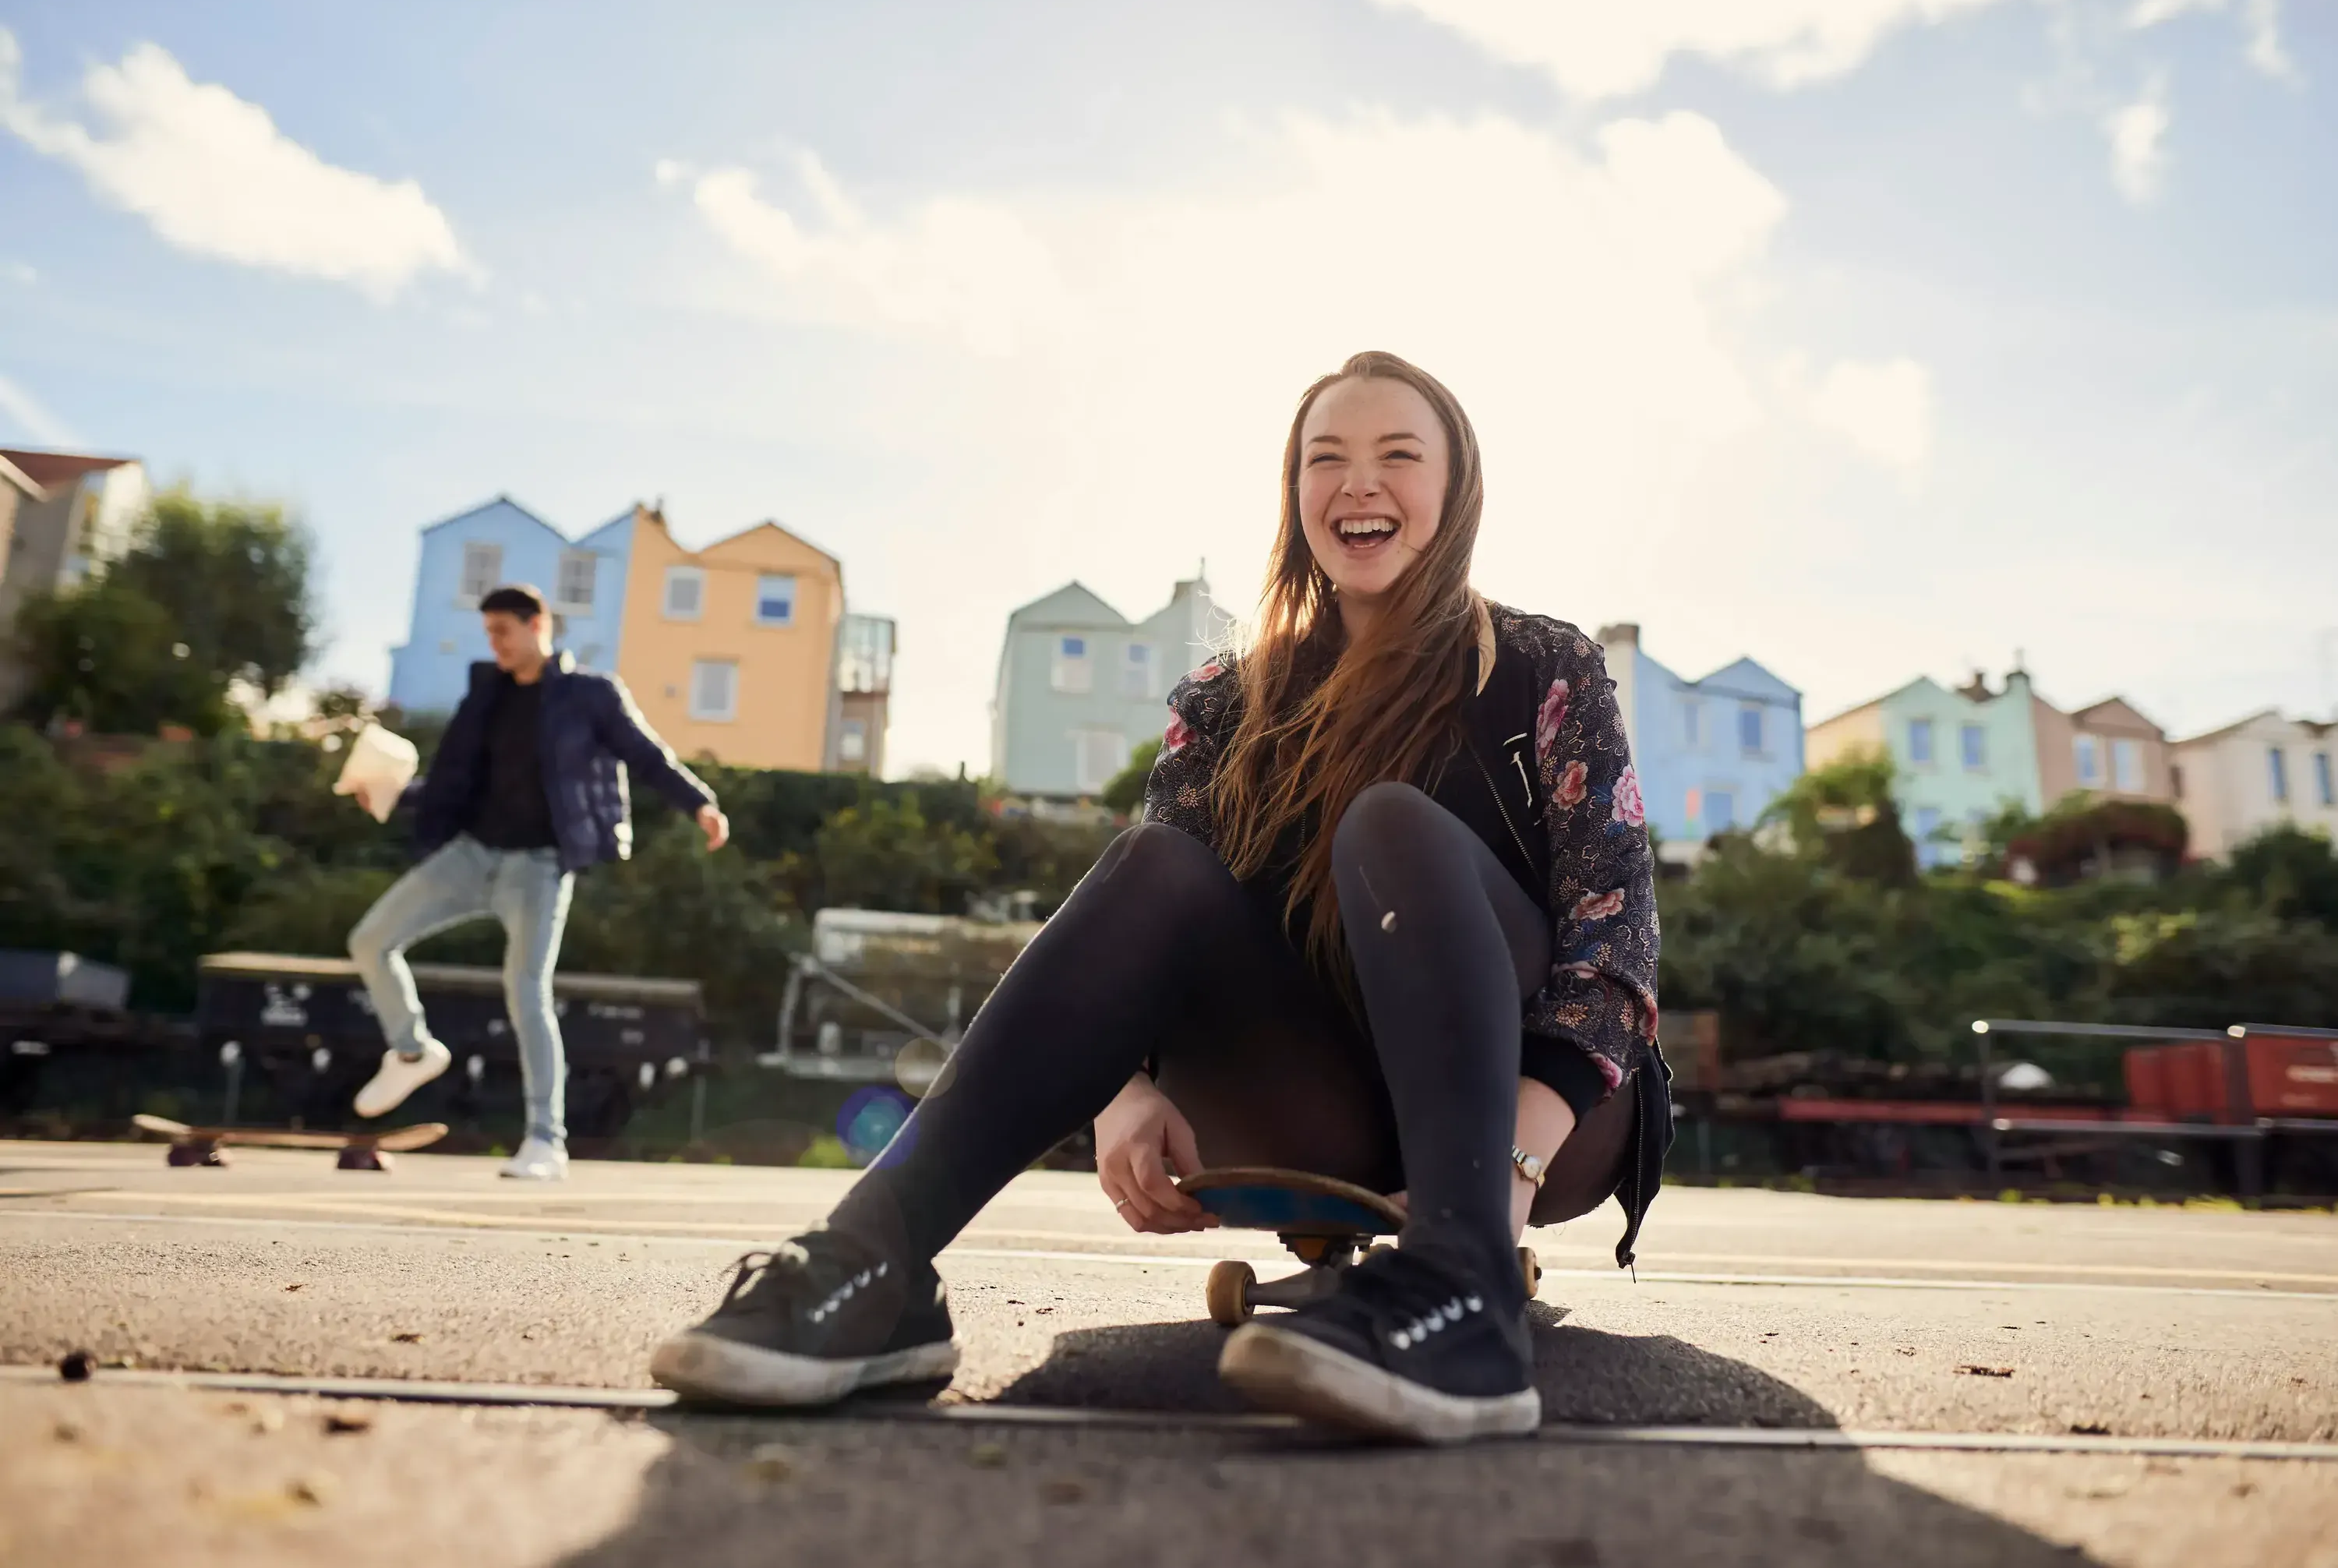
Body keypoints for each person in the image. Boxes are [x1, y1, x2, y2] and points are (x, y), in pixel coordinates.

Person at [651, 351, 1670, 1443]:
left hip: (1551, 1115)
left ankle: (1464, 1299)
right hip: (1317, 1099)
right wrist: (1127, 1087)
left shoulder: (1542, 666)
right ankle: (875, 1260)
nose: (1358, 484)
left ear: (1455, 490)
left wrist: (1503, 1170)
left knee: (1392, 824)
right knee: (1154, 857)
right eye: (1324, 460)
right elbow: (1149, 924)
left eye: (1397, 456)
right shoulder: (1233, 699)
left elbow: (1617, 949)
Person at [344, 582, 729, 1181]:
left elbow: (645, 753)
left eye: (503, 631)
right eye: (488, 632)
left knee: (526, 993)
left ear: (537, 626)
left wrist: (700, 803)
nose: (494, 643)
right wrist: (393, 796)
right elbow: (457, 783)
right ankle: (414, 1050)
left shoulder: (589, 695)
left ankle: (546, 1141)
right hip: (473, 855)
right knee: (370, 940)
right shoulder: (486, 696)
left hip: (539, 866)